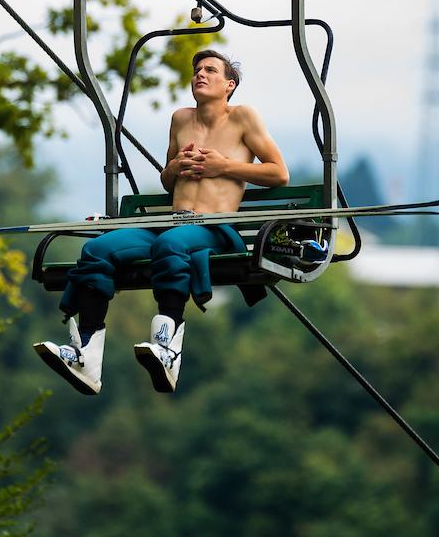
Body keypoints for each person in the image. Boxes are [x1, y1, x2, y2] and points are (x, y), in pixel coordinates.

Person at [34, 49, 289, 395]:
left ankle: (168, 348)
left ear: (229, 85)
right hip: (172, 222)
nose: (200, 74)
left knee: (171, 246)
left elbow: (279, 173)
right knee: (97, 249)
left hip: (213, 227)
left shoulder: (243, 118)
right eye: (197, 69)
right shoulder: (181, 119)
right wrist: (174, 168)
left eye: (210, 70)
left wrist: (223, 167)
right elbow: (169, 180)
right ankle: (87, 355)